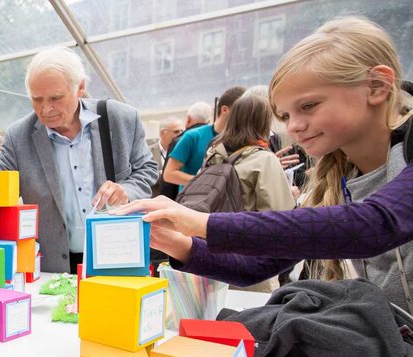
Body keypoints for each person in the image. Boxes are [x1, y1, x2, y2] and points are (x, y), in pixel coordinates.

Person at [112, 17, 413, 313]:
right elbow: (259, 265)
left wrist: (200, 223)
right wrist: (176, 242)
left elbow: (373, 225)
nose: (294, 127)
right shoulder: (338, 177)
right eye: (284, 116)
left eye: (308, 106)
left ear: (376, 86)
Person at [0, 47, 158, 274]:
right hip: (53, 267)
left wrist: (126, 190)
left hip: (117, 254)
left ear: (81, 87)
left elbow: (147, 169)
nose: (45, 108)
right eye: (36, 99)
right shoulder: (17, 137)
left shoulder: (121, 119)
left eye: (56, 98)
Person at [202, 94, 295, 292]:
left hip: (213, 256)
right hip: (251, 263)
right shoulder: (264, 160)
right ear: (263, 122)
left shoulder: (213, 155)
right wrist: (292, 194)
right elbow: (280, 215)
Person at [163, 86, 245, 189]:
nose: (244, 116)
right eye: (240, 111)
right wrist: (204, 182)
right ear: (224, 110)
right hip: (193, 201)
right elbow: (169, 174)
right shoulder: (193, 136)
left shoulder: (242, 140)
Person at [159, 101, 212, 199]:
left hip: (185, 200)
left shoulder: (183, 139)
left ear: (188, 119)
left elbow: (168, 184)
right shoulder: (218, 138)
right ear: (208, 121)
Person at [149, 116, 184, 197]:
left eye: (182, 131)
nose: (181, 134)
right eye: (176, 131)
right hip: (155, 202)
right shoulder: (148, 152)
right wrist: (167, 173)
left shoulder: (184, 152)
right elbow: (145, 175)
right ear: (162, 133)